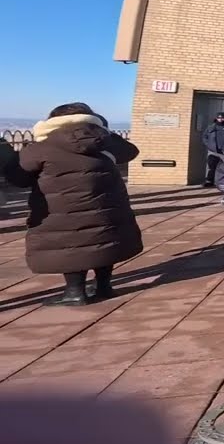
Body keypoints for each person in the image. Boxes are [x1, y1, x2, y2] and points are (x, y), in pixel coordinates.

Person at [10, 103, 142, 306]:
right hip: (107, 206)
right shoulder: (104, 140)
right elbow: (130, 152)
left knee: (71, 244)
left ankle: (74, 292)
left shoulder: (42, 147)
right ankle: (103, 286)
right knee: (104, 240)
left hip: (61, 210)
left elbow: (18, 178)